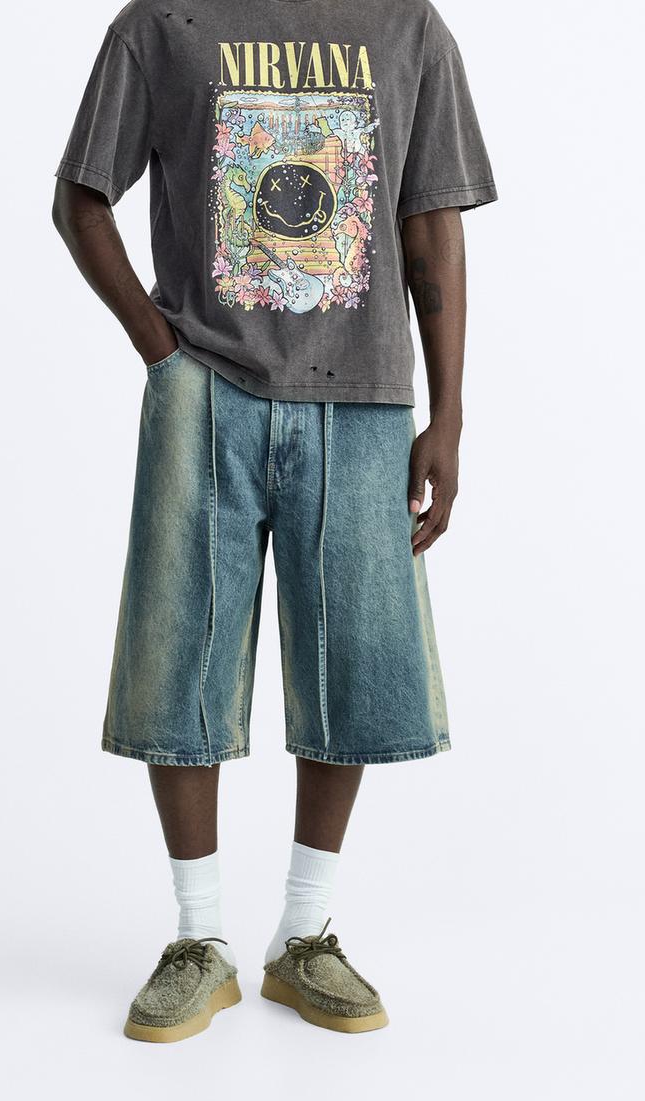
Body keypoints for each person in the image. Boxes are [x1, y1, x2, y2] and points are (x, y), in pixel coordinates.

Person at [52, 0, 497, 1042]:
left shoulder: (407, 27)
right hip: (205, 385)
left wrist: (449, 414)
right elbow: (80, 197)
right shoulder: (163, 23)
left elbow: (432, 220)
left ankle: (305, 933)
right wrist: (159, 346)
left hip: (365, 396)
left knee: (351, 661)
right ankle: (197, 939)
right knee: (180, 651)